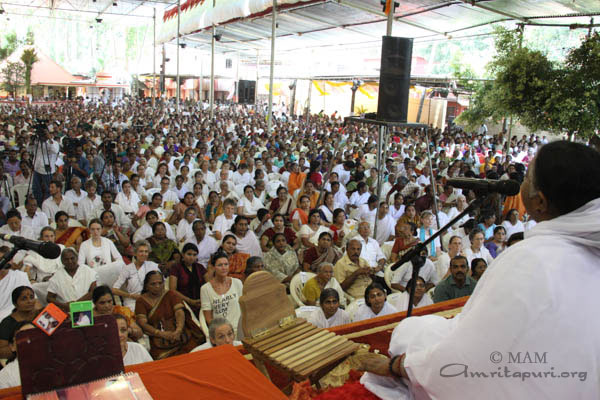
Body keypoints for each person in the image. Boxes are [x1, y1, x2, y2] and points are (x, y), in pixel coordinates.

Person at [360, 141, 600, 399]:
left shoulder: (530, 258)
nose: (520, 183)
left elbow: (471, 358)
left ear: (539, 202)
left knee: (410, 332)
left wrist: (399, 366)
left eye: (527, 176)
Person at [135, 271, 204, 360]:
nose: (157, 286)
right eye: (153, 284)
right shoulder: (141, 301)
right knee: (163, 360)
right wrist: (162, 334)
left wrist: (178, 330)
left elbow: (179, 312)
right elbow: (142, 324)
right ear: (146, 286)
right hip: (158, 338)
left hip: (180, 334)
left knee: (196, 352)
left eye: (160, 283)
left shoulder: (170, 294)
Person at [200, 252, 244, 336]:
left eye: (226, 264)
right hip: (221, 333)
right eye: (220, 265)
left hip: (239, 329)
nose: (224, 268)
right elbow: (208, 318)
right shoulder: (205, 289)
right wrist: (221, 332)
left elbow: (244, 307)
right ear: (213, 268)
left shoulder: (237, 283)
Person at [112, 240, 160, 312]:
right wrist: (130, 295)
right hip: (132, 301)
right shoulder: (127, 269)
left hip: (151, 299)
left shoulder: (153, 266)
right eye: (141, 251)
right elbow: (114, 289)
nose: (144, 254)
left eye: (146, 251)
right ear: (135, 253)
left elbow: (160, 284)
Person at [47, 248, 98, 312]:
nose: (70, 261)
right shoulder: (57, 276)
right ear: (62, 261)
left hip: (88, 309)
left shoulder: (87, 270)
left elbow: (93, 292)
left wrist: (75, 304)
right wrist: (63, 305)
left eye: (72, 258)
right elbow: (49, 298)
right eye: (66, 259)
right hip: (67, 310)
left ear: (77, 258)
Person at [78, 219, 126, 287]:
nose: (95, 232)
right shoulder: (84, 244)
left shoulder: (108, 242)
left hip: (109, 272)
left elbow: (119, 258)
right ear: (89, 230)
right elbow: (80, 264)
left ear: (102, 229)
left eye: (98, 229)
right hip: (93, 274)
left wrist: (110, 267)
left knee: (121, 264)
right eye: (93, 229)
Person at [0, 286, 40, 359]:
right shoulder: (7, 323)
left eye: (31, 297)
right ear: (15, 303)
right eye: (24, 299)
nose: (29, 301)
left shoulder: (41, 316)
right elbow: (1, 351)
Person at [169, 243, 207, 310]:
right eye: (189, 254)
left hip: (201, 301)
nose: (192, 257)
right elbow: (172, 290)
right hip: (183, 302)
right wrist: (189, 301)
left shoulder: (200, 267)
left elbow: (209, 284)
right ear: (183, 255)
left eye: (194, 255)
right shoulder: (176, 268)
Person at [0, 321, 36, 389]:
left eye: (33, 336)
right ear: (12, 346)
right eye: (22, 337)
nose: (29, 341)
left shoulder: (56, 362)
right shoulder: (5, 375)